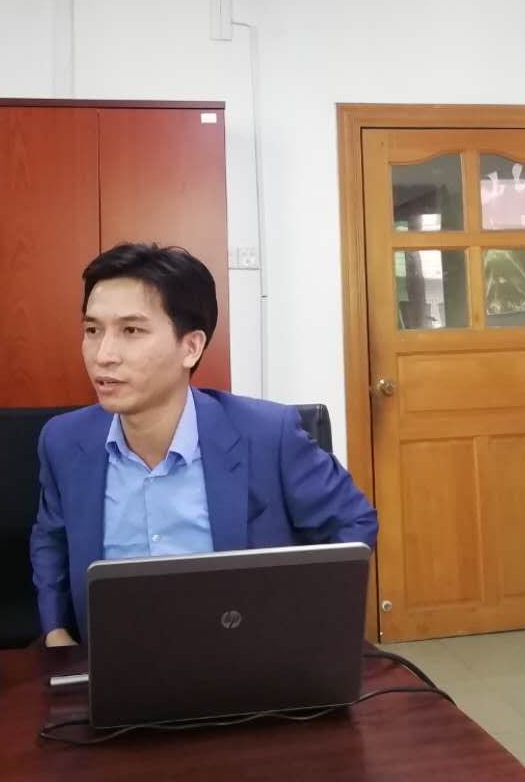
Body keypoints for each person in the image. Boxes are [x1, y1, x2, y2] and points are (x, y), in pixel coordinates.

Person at [30, 242, 378, 646]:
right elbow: (51, 539)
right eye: (93, 330)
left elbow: (354, 524)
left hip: (243, 654)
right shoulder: (63, 441)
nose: (103, 355)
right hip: (112, 655)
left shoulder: (268, 435)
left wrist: (304, 628)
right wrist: (55, 631)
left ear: (191, 347)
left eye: (131, 331)